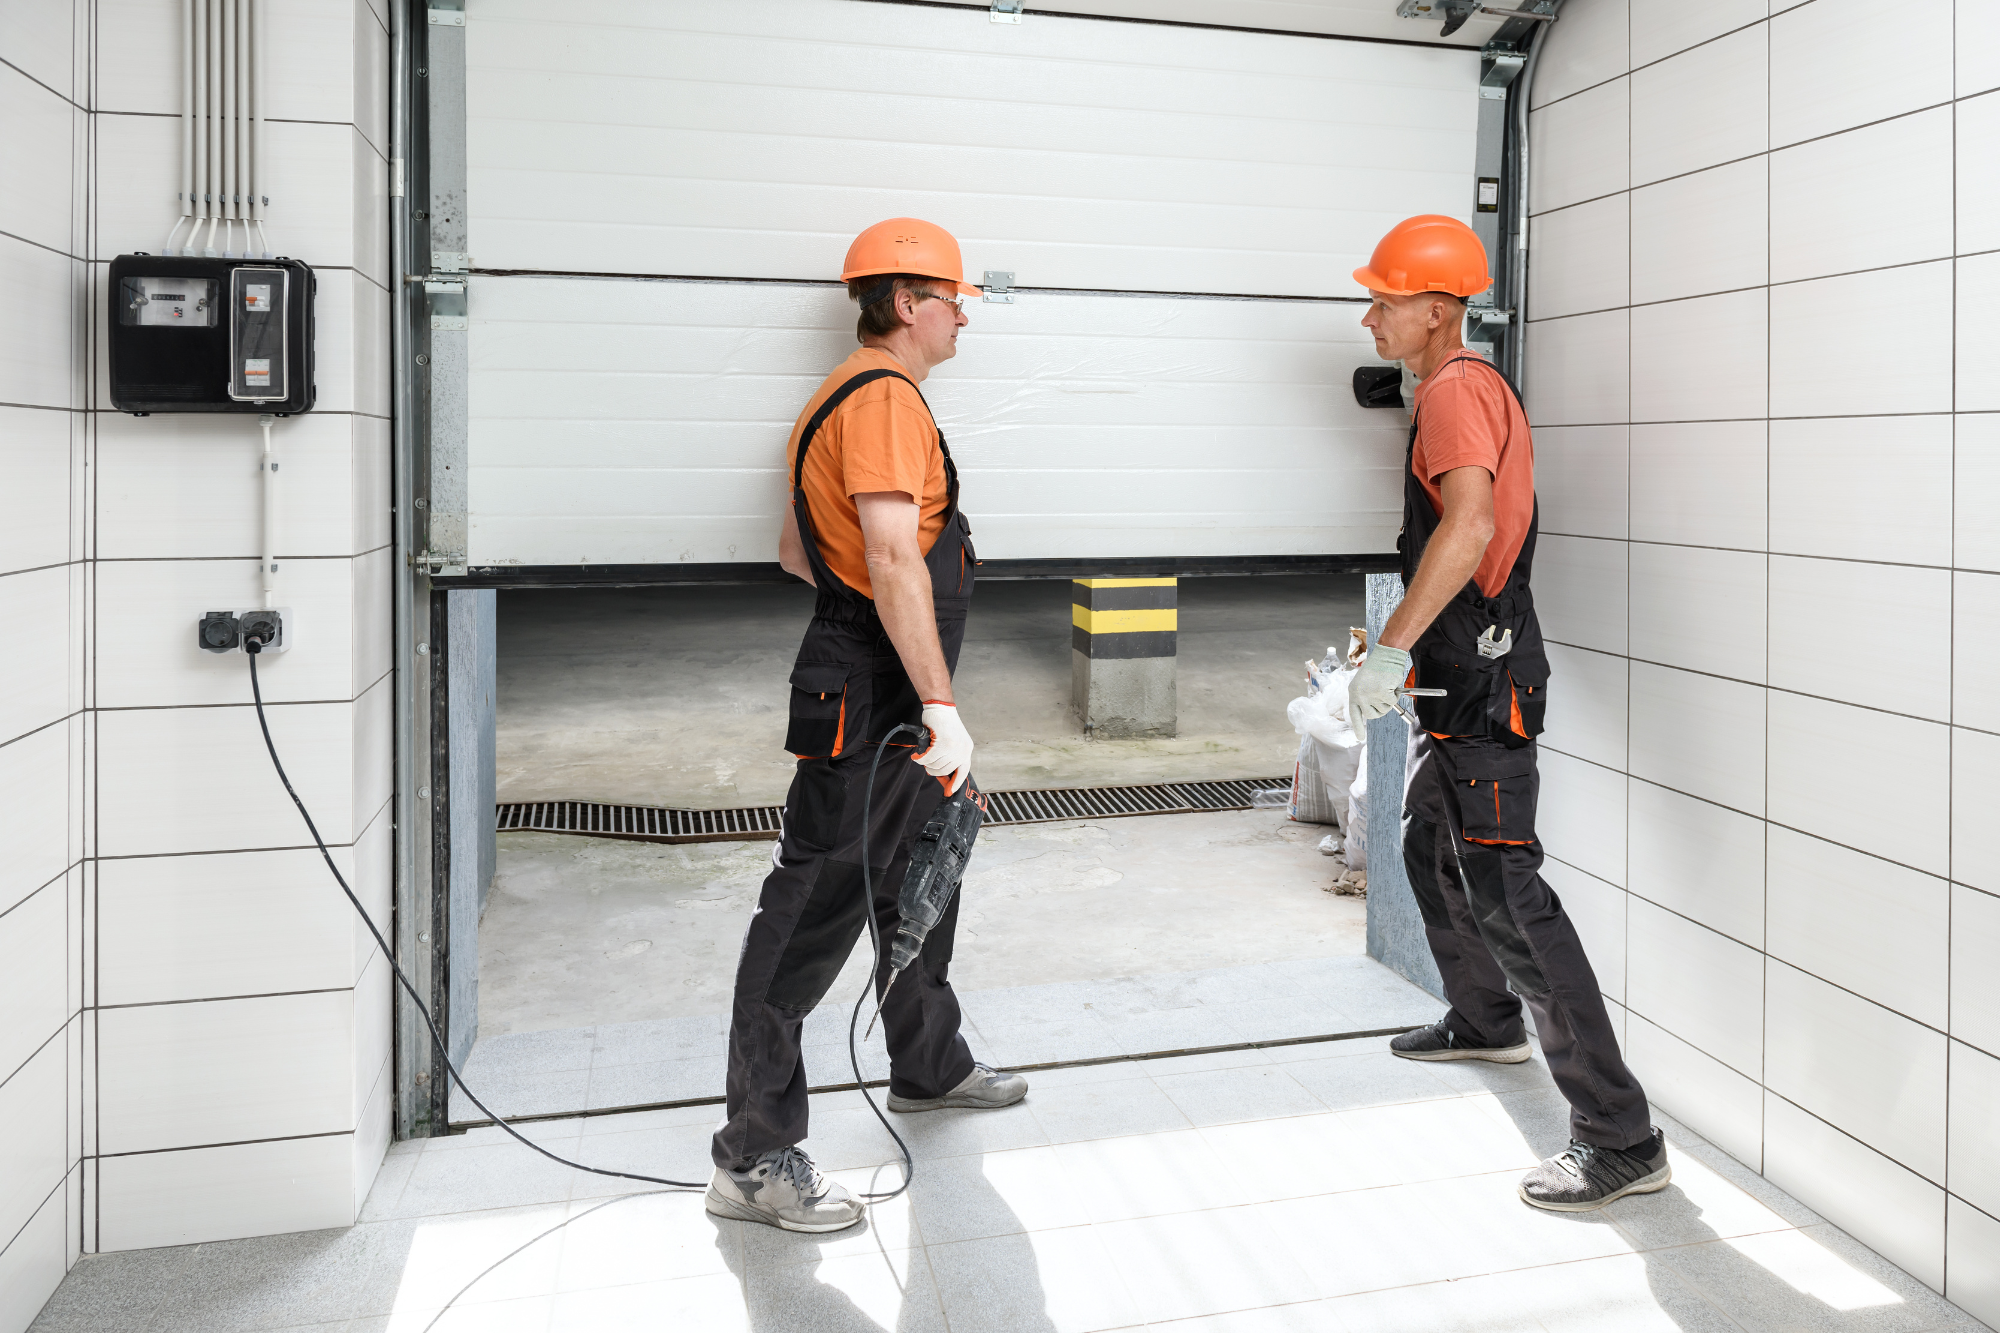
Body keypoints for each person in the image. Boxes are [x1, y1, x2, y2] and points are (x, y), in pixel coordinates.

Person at [706, 218, 1028, 1234]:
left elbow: (796, 552)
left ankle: (928, 1066)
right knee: (811, 912)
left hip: (871, 677)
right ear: (902, 303)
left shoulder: (853, 399)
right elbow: (889, 562)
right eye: (950, 297)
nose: (962, 313)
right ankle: (752, 1156)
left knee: (916, 877)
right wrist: (936, 702)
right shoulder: (883, 399)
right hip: (868, 693)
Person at [1346, 215, 1669, 1213]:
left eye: (1384, 300)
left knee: (1505, 891)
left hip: (1479, 675)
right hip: (1462, 669)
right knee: (1420, 840)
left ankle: (1618, 1135)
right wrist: (1402, 645)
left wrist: (1394, 639)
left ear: (1437, 310)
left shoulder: (1452, 390)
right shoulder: (1452, 388)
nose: (1369, 317)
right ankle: (1483, 1016)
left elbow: (1472, 523)